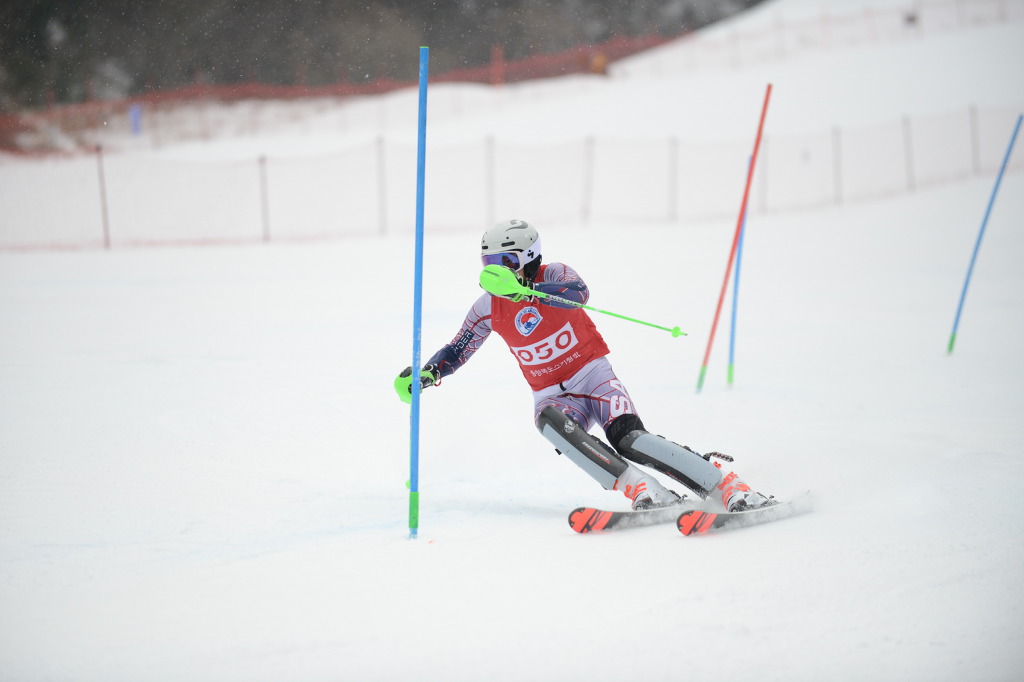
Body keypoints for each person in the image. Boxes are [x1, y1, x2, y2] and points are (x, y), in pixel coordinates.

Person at [395, 218, 775, 513]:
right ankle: (644, 489)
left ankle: (727, 485)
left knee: (629, 439)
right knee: (548, 422)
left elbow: (578, 294)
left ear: (528, 258)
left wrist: (529, 292)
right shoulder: (487, 308)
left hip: (593, 377)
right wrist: (427, 374)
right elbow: (458, 349)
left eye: (504, 262)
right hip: (553, 395)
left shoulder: (554, 275)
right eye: (489, 263)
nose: (497, 271)